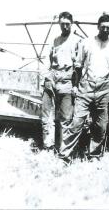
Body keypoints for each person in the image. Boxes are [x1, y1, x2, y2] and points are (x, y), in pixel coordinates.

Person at [59, 13, 109, 162]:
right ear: (98, 27)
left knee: (100, 125)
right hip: (86, 86)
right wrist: (75, 86)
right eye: (103, 27)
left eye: (108, 28)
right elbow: (78, 66)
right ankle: (64, 156)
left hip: (105, 87)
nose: (105, 30)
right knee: (76, 122)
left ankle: (94, 155)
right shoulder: (86, 43)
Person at [41, 11, 81, 153]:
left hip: (67, 81)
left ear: (72, 24)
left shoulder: (77, 41)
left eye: (67, 24)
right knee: (47, 115)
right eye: (62, 24)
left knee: (65, 117)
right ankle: (48, 146)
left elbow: (79, 66)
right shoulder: (55, 40)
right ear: (59, 23)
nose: (65, 27)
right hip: (52, 78)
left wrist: (76, 85)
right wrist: (47, 78)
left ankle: (63, 150)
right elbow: (48, 60)